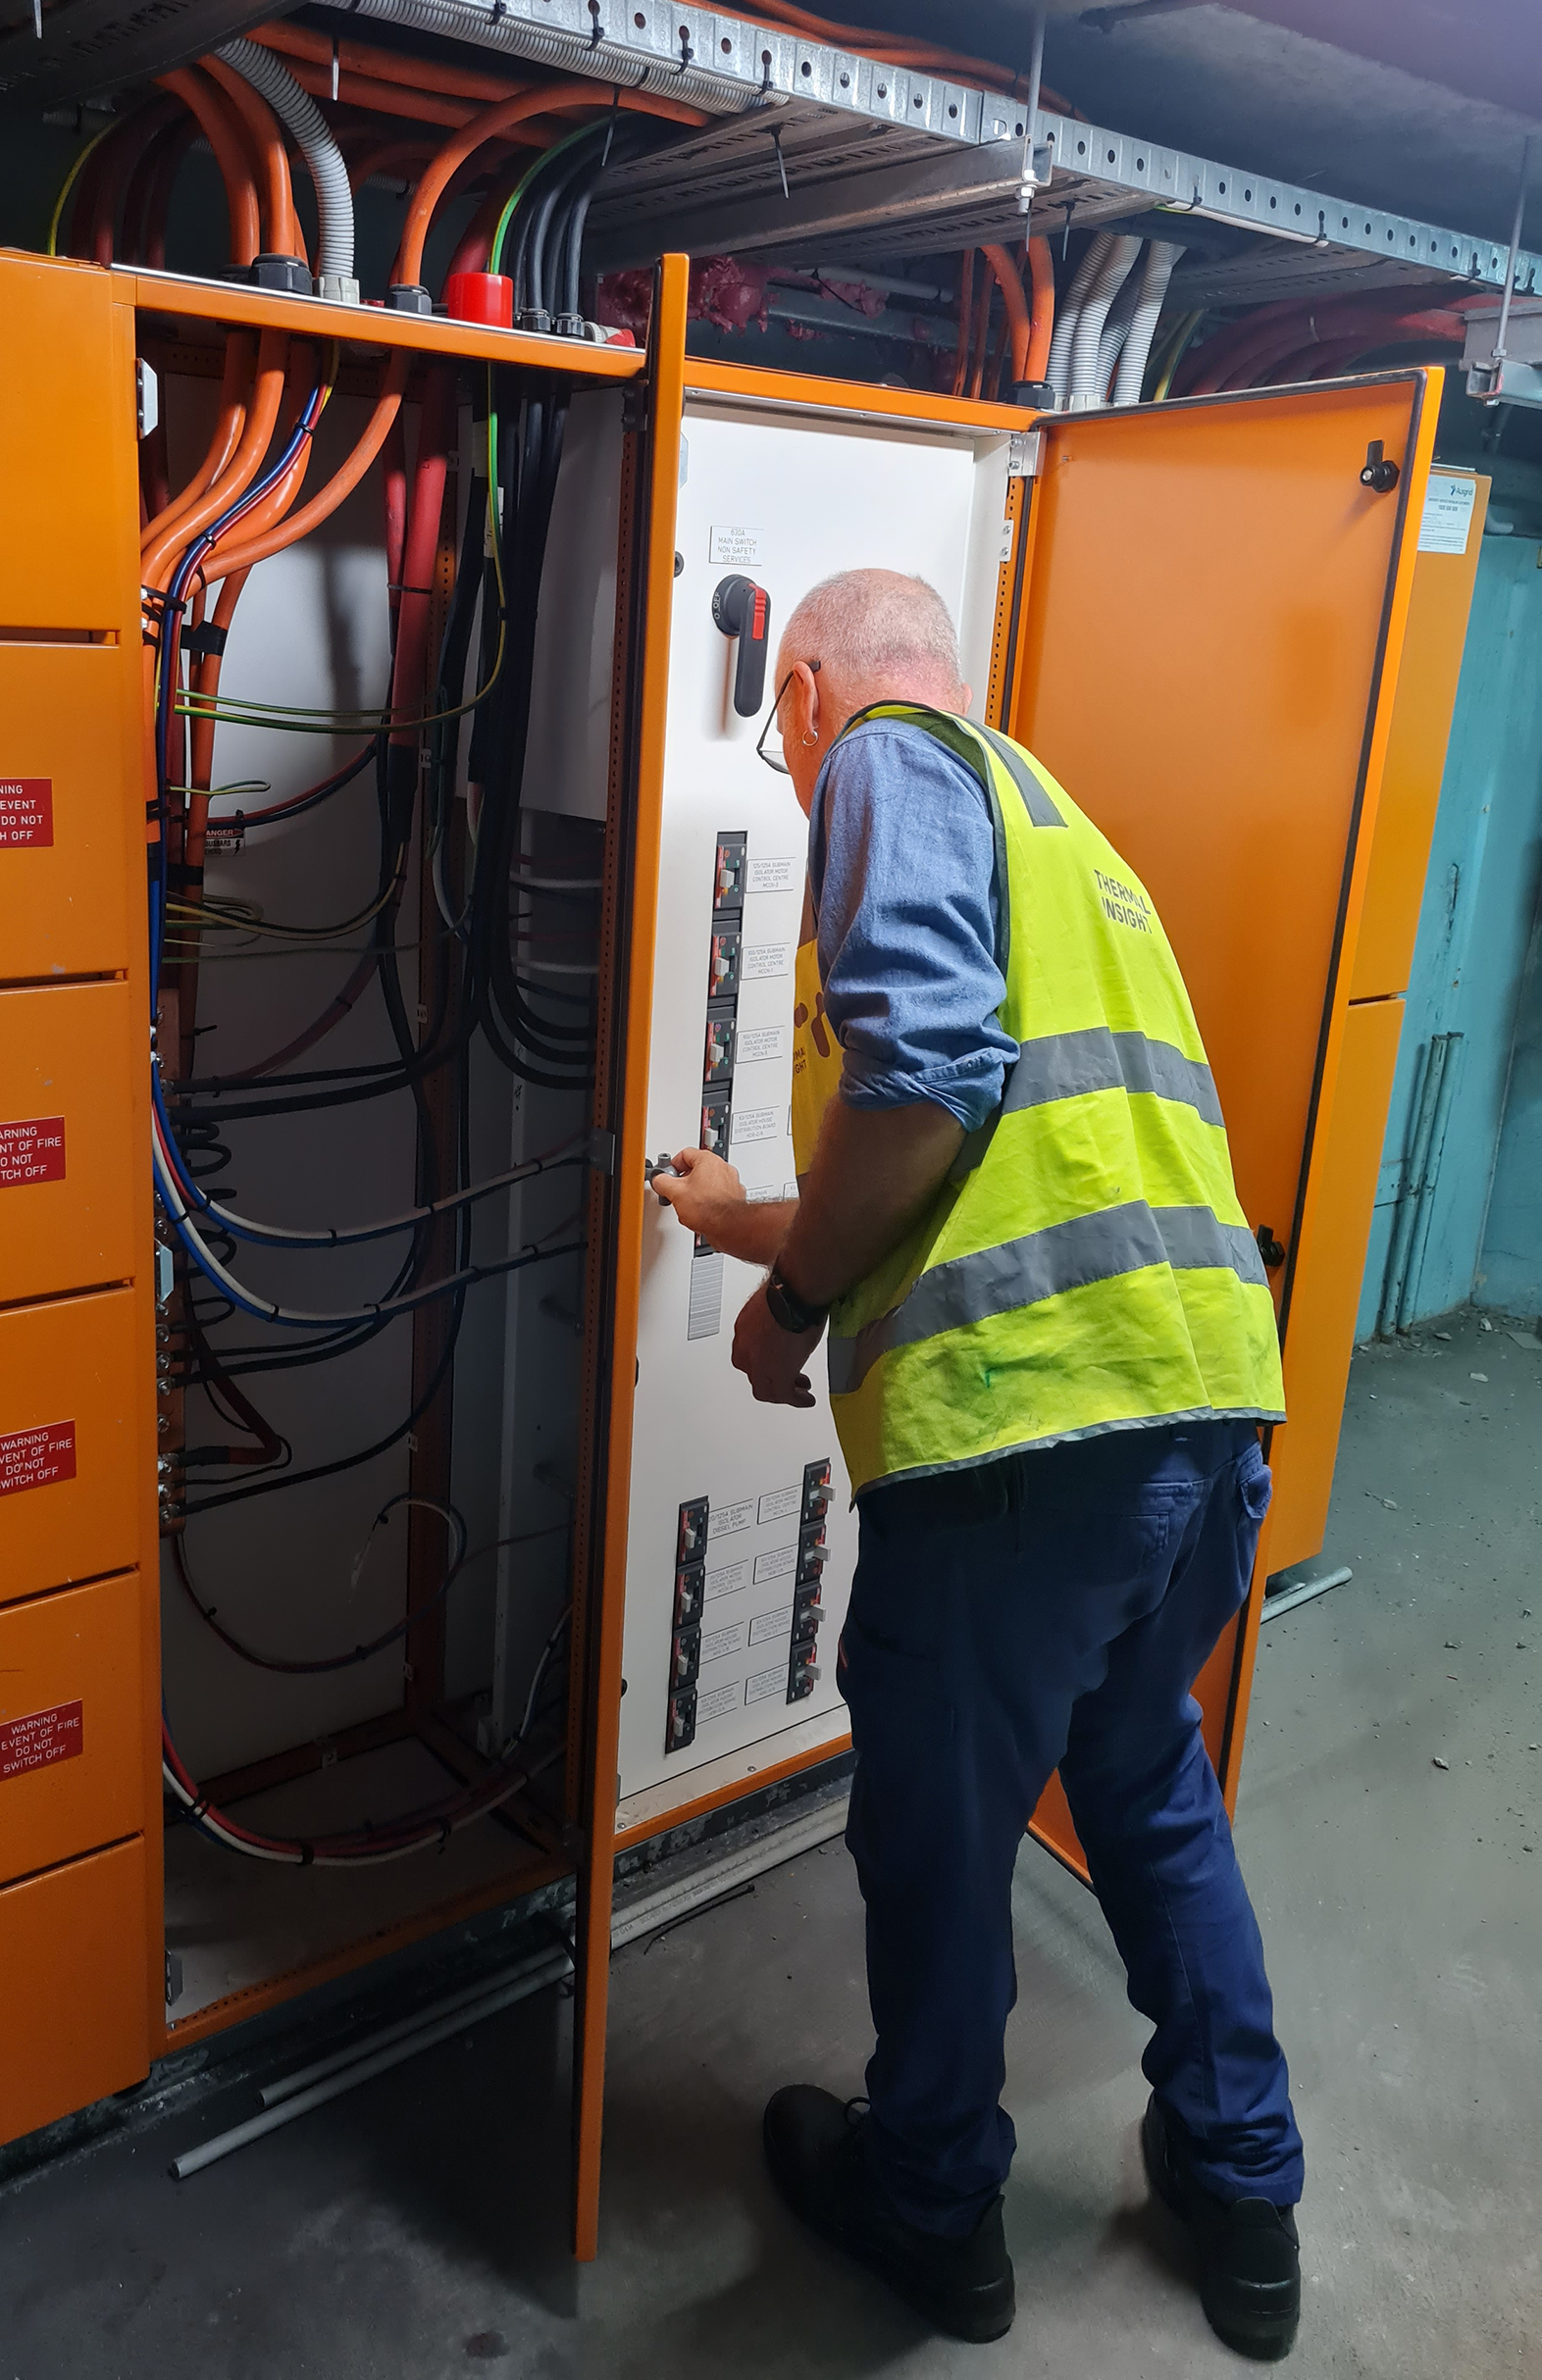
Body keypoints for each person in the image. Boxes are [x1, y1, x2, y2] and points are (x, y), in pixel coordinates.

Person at [650, 568, 1303, 2360]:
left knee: (936, 1838)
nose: (798, 788)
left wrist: (784, 1304)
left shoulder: (887, 763)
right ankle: (1246, 2195)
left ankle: (932, 2208)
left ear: (800, 694)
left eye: (787, 746)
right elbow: (961, 1158)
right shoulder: (1063, 826)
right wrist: (740, 1225)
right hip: (1199, 1418)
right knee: (1145, 1781)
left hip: (1024, 1450)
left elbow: (923, 1077)